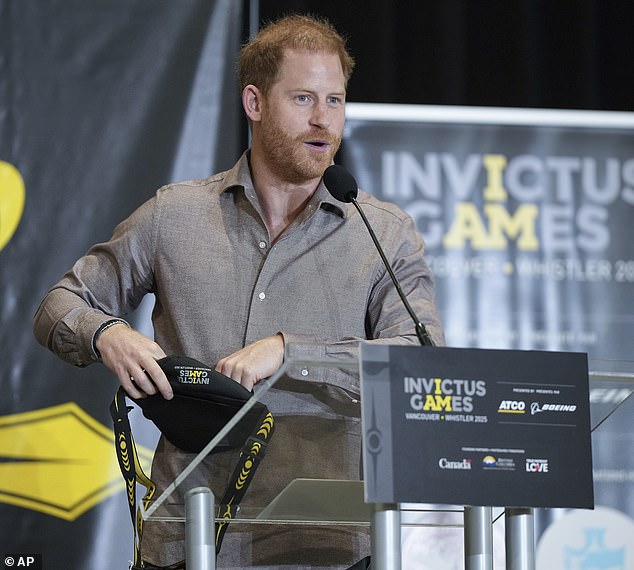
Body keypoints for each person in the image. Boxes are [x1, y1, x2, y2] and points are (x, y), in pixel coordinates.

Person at [34, 14, 444, 570]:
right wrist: (108, 332)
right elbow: (59, 305)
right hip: (189, 538)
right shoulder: (174, 215)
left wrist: (292, 350)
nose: (324, 120)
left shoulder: (383, 230)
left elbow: (421, 362)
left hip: (320, 544)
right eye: (303, 98)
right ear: (254, 103)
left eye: (336, 100)